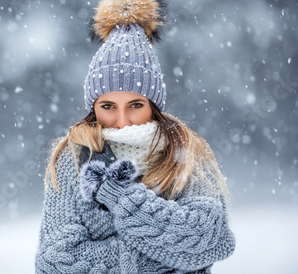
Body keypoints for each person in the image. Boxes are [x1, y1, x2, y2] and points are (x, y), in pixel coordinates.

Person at [34, 0, 236, 273]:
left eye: (135, 105)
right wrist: (167, 257)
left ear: (153, 105)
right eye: (107, 107)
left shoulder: (188, 152)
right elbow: (53, 263)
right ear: (93, 107)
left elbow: (208, 237)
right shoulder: (74, 156)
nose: (121, 121)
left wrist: (121, 197)